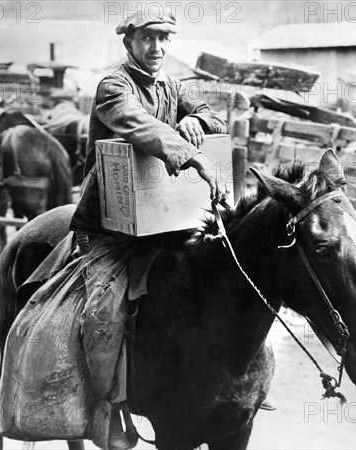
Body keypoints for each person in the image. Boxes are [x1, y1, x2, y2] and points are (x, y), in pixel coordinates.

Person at [69, 11, 227, 450]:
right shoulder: (113, 87)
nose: (157, 48)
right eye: (148, 38)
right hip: (110, 227)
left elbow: (213, 115)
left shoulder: (172, 86)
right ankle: (104, 408)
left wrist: (197, 121)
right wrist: (190, 154)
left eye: (164, 38)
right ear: (129, 43)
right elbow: (137, 124)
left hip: (163, 224)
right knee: (102, 315)